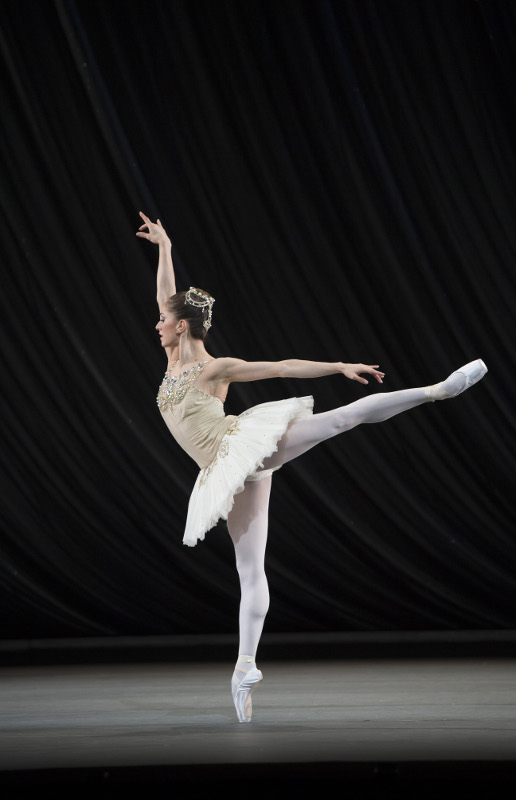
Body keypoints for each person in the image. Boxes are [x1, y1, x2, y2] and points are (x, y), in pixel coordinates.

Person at [136, 211, 487, 723]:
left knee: (339, 421)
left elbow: (282, 367)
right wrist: (164, 247)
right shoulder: (172, 364)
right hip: (226, 475)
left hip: (241, 447)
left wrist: (338, 366)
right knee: (248, 570)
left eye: (164, 320)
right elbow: (165, 295)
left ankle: (439, 389)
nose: (156, 323)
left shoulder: (214, 368)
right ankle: (244, 669)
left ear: (181, 325)